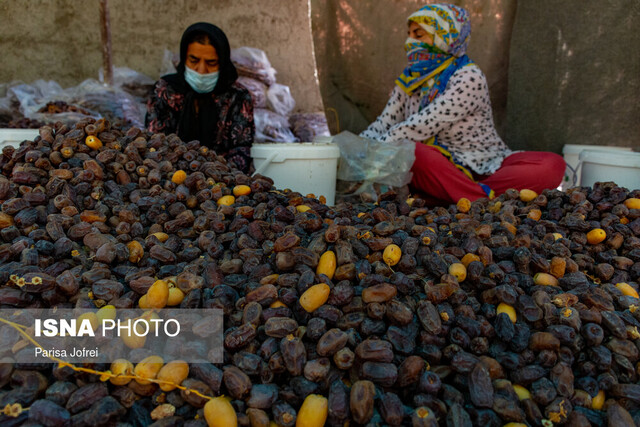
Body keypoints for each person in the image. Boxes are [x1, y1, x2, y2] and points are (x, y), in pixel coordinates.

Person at [361, 4, 565, 205]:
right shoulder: (409, 80)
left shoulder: (468, 76)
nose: (409, 42)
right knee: (414, 153)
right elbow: (384, 123)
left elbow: (420, 125)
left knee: (552, 165)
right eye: (409, 34)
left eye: (418, 35)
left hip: (486, 166)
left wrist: (373, 153)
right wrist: (354, 149)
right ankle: (476, 200)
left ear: (444, 37)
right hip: (439, 171)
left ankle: (462, 198)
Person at [146, 22, 255, 173]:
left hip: (222, 183)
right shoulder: (165, 90)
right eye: (194, 60)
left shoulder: (238, 97)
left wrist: (215, 180)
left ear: (222, 63)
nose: (202, 70)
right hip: (172, 181)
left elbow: (240, 151)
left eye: (211, 63)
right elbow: (155, 144)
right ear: (184, 58)